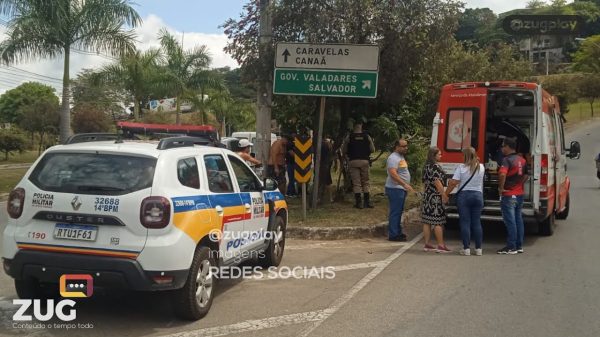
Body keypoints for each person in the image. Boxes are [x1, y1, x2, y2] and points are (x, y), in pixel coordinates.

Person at [444, 147, 485, 256]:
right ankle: (478, 249)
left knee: (465, 222)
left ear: (465, 156)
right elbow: (477, 162)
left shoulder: (461, 168)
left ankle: (466, 249)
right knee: (476, 222)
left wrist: (445, 194)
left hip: (465, 197)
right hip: (478, 196)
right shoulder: (481, 167)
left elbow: (453, 183)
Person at [497, 138, 529, 255]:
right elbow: (526, 175)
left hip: (509, 194)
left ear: (508, 147)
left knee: (510, 221)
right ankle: (519, 245)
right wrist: (519, 184)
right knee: (518, 220)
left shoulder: (506, 160)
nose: (501, 148)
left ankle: (511, 246)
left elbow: (502, 174)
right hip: (519, 194)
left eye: (503, 146)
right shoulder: (522, 160)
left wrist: (501, 188)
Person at [421, 147, 451, 253]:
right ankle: (441, 245)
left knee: (427, 221)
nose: (441, 156)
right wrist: (444, 195)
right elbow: (437, 182)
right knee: (438, 221)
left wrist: (424, 195)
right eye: (439, 154)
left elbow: (424, 183)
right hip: (435, 197)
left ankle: (427, 244)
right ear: (434, 155)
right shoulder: (436, 167)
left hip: (427, 196)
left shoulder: (426, 167)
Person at [385, 139, 414, 242]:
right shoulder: (393, 158)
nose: (406, 148)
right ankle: (393, 234)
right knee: (395, 212)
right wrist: (404, 184)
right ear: (397, 147)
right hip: (395, 189)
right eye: (403, 146)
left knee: (399, 211)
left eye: (406, 146)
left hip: (400, 189)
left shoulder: (400, 157)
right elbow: (393, 174)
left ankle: (397, 232)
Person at [342, 120, 375, 208]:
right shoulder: (367, 136)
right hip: (364, 161)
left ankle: (358, 203)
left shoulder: (349, 137)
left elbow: (344, 150)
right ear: (361, 126)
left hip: (353, 161)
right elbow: (372, 149)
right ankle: (367, 202)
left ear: (353, 127)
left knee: (356, 183)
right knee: (366, 182)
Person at [286, 133, 298, 197]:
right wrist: (300, 159)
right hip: (290, 163)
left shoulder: (293, 143)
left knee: (293, 179)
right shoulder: (289, 144)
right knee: (292, 179)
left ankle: (290, 192)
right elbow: (291, 153)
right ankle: (290, 193)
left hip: (292, 163)